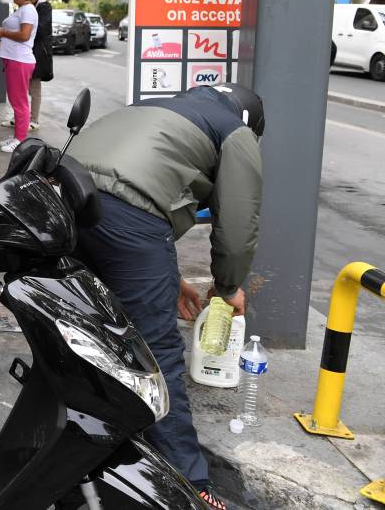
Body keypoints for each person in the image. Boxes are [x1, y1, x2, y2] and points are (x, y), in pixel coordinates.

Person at [72, 83, 264, 510]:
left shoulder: (158, 107)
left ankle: (83, 448)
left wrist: (168, 278)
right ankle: (188, 483)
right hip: (127, 216)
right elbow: (237, 224)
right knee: (157, 353)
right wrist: (228, 288)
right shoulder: (237, 131)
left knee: (87, 332)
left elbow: (139, 182)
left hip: (64, 196)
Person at [0, 0, 38, 154]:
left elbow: (25, 35)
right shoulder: (22, 10)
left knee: (19, 103)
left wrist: (2, 32)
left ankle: (20, 140)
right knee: (16, 100)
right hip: (14, 60)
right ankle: (18, 136)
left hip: (20, 60)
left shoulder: (28, 10)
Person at [1, 0, 52, 133]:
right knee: (19, 90)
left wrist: (23, 29)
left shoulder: (42, 7)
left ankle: (34, 120)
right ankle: (19, 118)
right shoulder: (23, 8)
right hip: (20, 54)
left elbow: (39, 30)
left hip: (35, 54)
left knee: (34, 89)